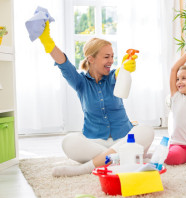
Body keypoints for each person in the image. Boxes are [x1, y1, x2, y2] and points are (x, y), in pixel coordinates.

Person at [36, 21, 154, 177]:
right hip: (96, 142)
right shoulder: (80, 82)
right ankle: (125, 158)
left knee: (147, 131)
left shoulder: (113, 77)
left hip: (125, 138)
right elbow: (64, 64)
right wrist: (47, 42)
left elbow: (119, 73)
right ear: (91, 59)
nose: (111, 60)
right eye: (106, 57)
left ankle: (85, 168)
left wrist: (124, 67)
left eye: (112, 56)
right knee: (68, 142)